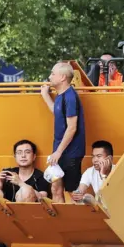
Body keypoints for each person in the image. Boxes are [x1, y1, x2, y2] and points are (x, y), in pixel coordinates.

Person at [40, 62, 86, 203]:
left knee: (72, 192)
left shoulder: (70, 96)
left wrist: (58, 152)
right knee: (55, 188)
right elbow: (57, 111)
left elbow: (72, 127)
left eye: (53, 73)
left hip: (70, 152)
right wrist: (45, 96)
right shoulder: (61, 95)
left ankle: (74, 222)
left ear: (62, 78)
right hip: (59, 150)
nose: (50, 76)